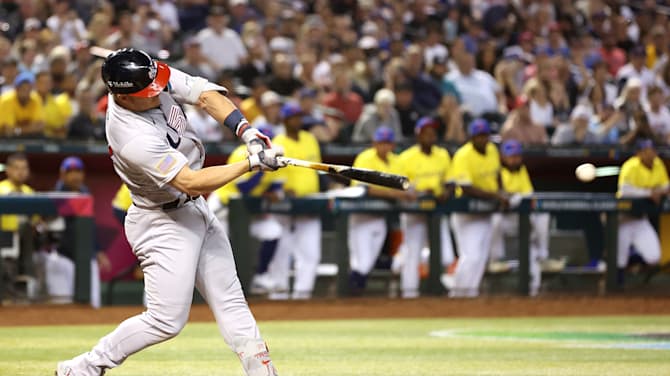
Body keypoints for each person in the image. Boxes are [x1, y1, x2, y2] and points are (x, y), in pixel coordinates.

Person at [55, 48, 283, 376]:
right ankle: (83, 367)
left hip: (194, 210)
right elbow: (189, 181)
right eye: (149, 92)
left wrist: (248, 134)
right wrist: (249, 163)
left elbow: (205, 95)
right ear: (123, 96)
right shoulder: (130, 135)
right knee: (166, 321)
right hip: (161, 221)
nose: (160, 90)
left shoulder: (148, 76)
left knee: (230, 300)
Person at [207, 125, 284, 295]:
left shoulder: (273, 160)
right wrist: (262, 169)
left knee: (273, 231)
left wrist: (271, 192)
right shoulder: (241, 154)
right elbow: (244, 188)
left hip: (248, 210)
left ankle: (261, 277)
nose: (267, 148)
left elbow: (277, 189)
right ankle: (215, 285)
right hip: (223, 206)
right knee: (217, 245)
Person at [266, 103, 322, 300]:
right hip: (285, 206)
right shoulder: (277, 143)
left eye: (299, 117)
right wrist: (283, 189)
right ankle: (278, 295)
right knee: (282, 252)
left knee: (311, 254)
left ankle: (302, 296)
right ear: (285, 120)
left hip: (310, 202)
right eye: (293, 117)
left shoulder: (310, 139)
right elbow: (271, 177)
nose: (297, 121)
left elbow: (317, 169)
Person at [348, 127, 411, 295]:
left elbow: (404, 188)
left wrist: (399, 193)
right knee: (362, 262)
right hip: (361, 216)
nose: (383, 146)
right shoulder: (365, 158)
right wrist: (391, 193)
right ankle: (350, 297)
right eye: (380, 142)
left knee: (367, 263)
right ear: (374, 143)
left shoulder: (396, 161)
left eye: (386, 143)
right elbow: (364, 189)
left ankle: (353, 295)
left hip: (379, 218)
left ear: (392, 145)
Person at [448, 119, 508, 298]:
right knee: (471, 255)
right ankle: (457, 293)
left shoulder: (492, 150)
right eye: (478, 136)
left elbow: (497, 175)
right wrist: (496, 196)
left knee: (481, 257)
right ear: (471, 137)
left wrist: (501, 192)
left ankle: (470, 293)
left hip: (486, 211)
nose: (482, 139)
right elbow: (466, 187)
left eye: (485, 136)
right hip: (466, 212)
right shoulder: (463, 155)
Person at [396, 117, 454, 298]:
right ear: (418, 135)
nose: (430, 135)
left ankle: (440, 287)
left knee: (446, 256)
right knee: (412, 252)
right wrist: (418, 190)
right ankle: (409, 294)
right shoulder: (406, 157)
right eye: (426, 132)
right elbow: (399, 184)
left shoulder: (443, 154)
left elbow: (451, 181)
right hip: (413, 210)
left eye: (433, 132)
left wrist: (446, 190)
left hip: (436, 210)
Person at [488, 140, 550, 296]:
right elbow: (499, 195)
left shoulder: (521, 170)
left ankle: (543, 254)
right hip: (504, 218)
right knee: (494, 220)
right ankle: (496, 258)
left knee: (543, 216)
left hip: (521, 219)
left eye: (517, 156)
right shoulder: (498, 171)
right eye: (511, 156)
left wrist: (517, 198)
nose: (514, 159)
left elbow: (528, 194)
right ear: (503, 157)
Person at [616, 139, 667, 282]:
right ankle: (614, 291)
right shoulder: (630, 166)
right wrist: (650, 193)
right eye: (646, 151)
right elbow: (625, 191)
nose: (651, 153)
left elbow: (666, 186)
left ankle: (633, 255)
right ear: (639, 153)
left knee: (654, 257)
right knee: (619, 262)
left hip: (640, 219)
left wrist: (658, 192)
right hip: (623, 219)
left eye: (652, 150)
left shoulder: (657, 163)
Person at [0, 153, 36, 298]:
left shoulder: (30, 192)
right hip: (4, 238)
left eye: (24, 168)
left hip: (25, 241)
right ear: (8, 170)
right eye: (16, 168)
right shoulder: (1, 189)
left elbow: (36, 219)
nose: (20, 172)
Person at [0, 71, 44, 138]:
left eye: (28, 87)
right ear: (16, 88)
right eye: (22, 87)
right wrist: (29, 127)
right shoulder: (6, 100)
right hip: (6, 140)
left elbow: (40, 126)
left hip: (29, 138)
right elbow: (7, 130)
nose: (25, 90)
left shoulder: (36, 98)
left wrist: (17, 130)